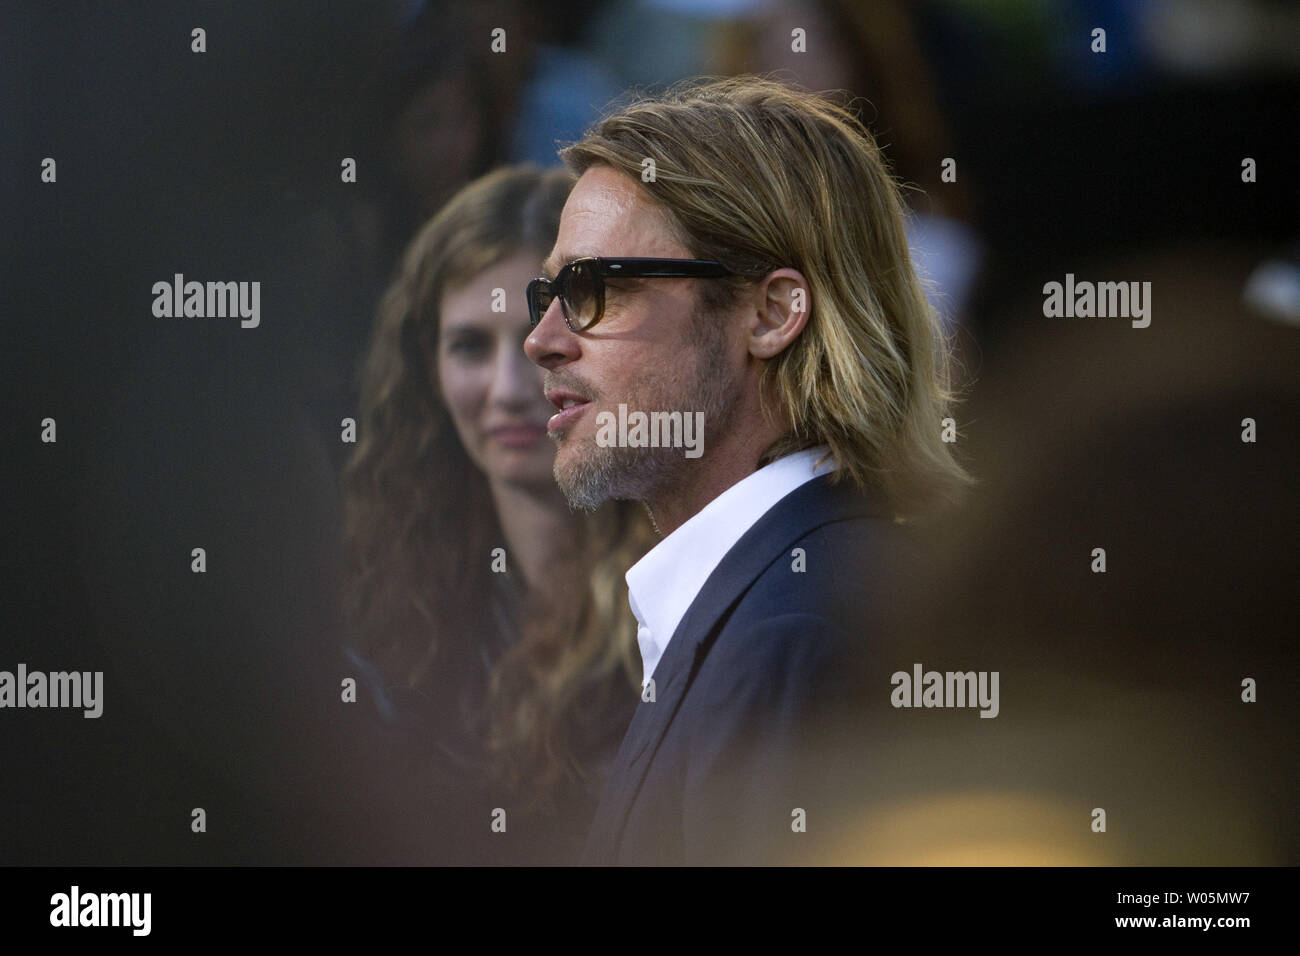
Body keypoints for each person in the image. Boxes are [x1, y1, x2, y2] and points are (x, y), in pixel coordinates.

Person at [523, 75, 972, 864]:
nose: (544, 338)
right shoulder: (785, 597)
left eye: (597, 288)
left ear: (771, 314)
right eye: (549, 292)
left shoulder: (796, 635)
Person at [340, 164, 655, 864]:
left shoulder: (670, 599)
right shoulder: (397, 596)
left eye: (533, 340)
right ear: (428, 369)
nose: (511, 390)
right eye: (470, 346)